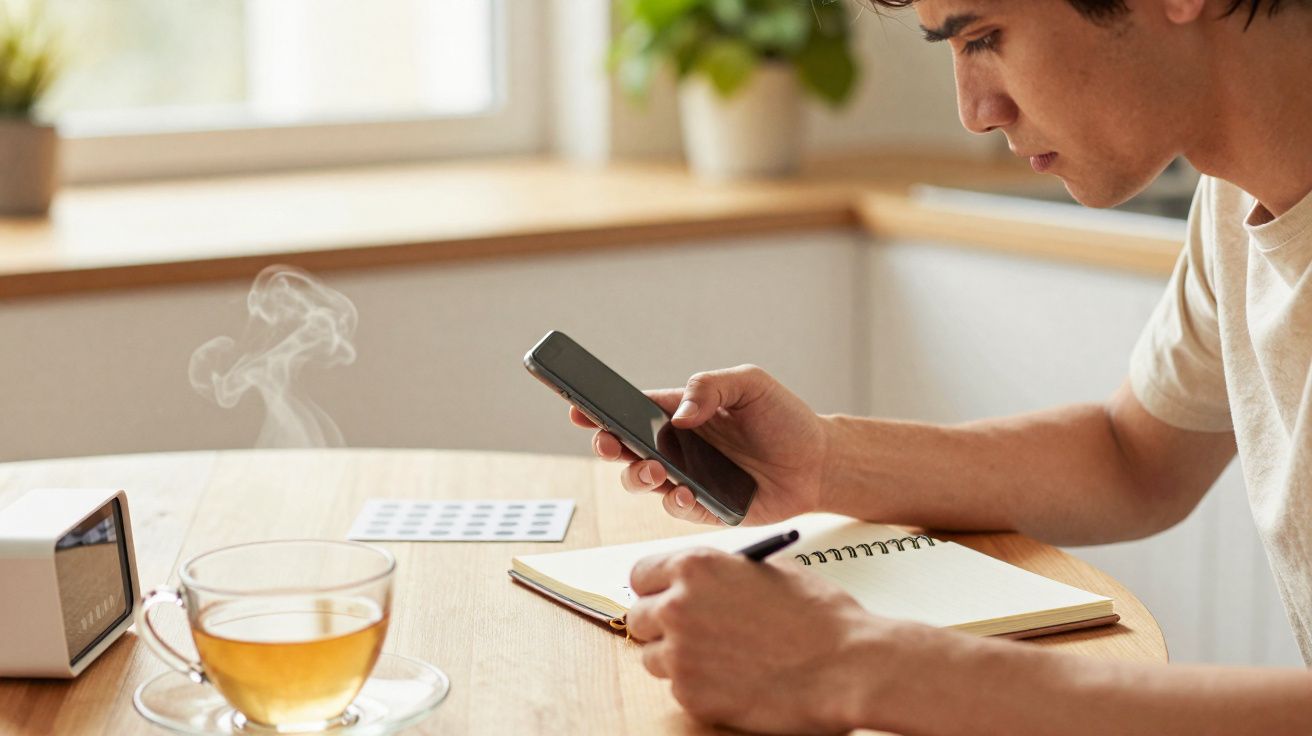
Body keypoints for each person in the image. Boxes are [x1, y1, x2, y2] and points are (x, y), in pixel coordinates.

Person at [567, 0, 1312, 733]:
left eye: (985, 37)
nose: (975, 111)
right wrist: (823, 463)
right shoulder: (1233, 202)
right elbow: (1133, 458)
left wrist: (858, 665)